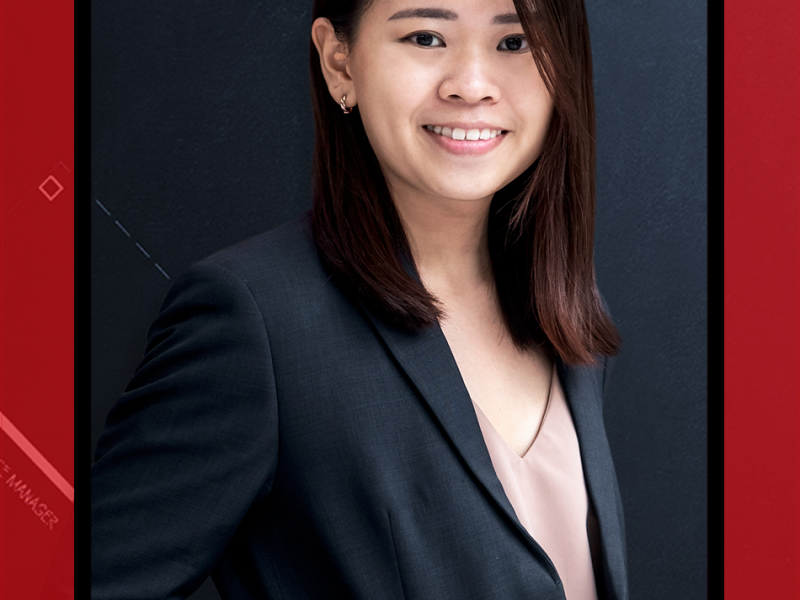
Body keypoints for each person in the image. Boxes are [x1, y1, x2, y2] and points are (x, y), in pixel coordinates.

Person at [91, 0, 627, 598]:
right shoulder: (257, 320)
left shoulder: (567, 314)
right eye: (425, 37)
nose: (472, 85)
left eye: (514, 42)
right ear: (339, 63)